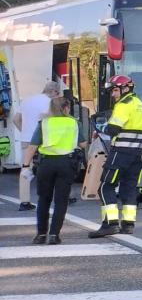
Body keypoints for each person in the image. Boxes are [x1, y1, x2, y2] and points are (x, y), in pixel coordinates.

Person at [90, 75, 142, 238]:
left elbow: (113, 129)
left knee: (105, 187)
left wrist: (102, 128)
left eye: (115, 90)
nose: (113, 95)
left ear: (125, 88)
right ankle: (128, 225)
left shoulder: (124, 105)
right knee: (129, 188)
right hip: (136, 154)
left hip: (120, 153)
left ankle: (110, 224)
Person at [24, 98, 83, 244]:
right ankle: (54, 235)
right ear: (66, 107)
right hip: (66, 163)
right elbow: (82, 143)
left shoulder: (44, 123)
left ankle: (41, 235)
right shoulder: (74, 123)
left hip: (46, 164)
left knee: (44, 199)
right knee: (61, 201)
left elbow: (32, 147)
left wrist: (25, 166)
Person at [13, 81, 60, 212]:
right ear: (54, 92)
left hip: (26, 139)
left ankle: (24, 201)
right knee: (54, 166)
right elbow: (51, 120)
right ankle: (57, 196)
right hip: (43, 139)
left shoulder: (27, 101)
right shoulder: (49, 103)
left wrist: (24, 130)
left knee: (26, 168)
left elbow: (16, 119)